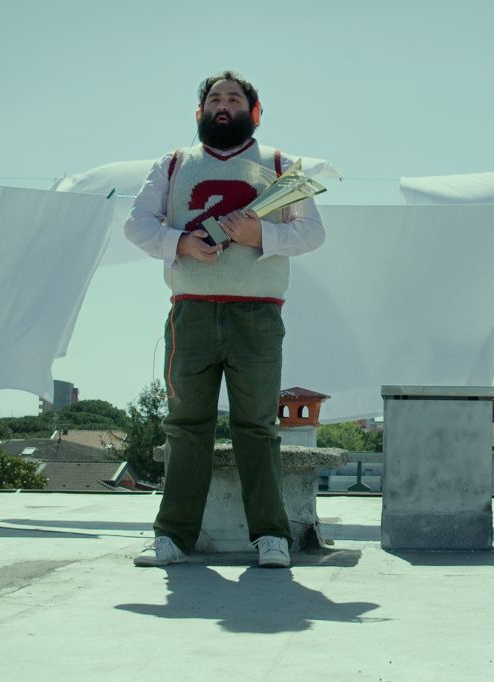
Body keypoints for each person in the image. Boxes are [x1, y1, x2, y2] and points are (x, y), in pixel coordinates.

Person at [125, 71, 325, 568]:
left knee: (256, 425)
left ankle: (271, 535)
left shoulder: (281, 166)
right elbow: (137, 224)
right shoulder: (173, 163)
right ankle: (173, 536)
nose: (223, 105)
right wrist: (180, 243)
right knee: (185, 424)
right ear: (199, 112)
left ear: (254, 113)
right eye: (215, 99)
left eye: (234, 99)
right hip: (190, 310)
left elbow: (312, 232)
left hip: (258, 313)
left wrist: (263, 237)